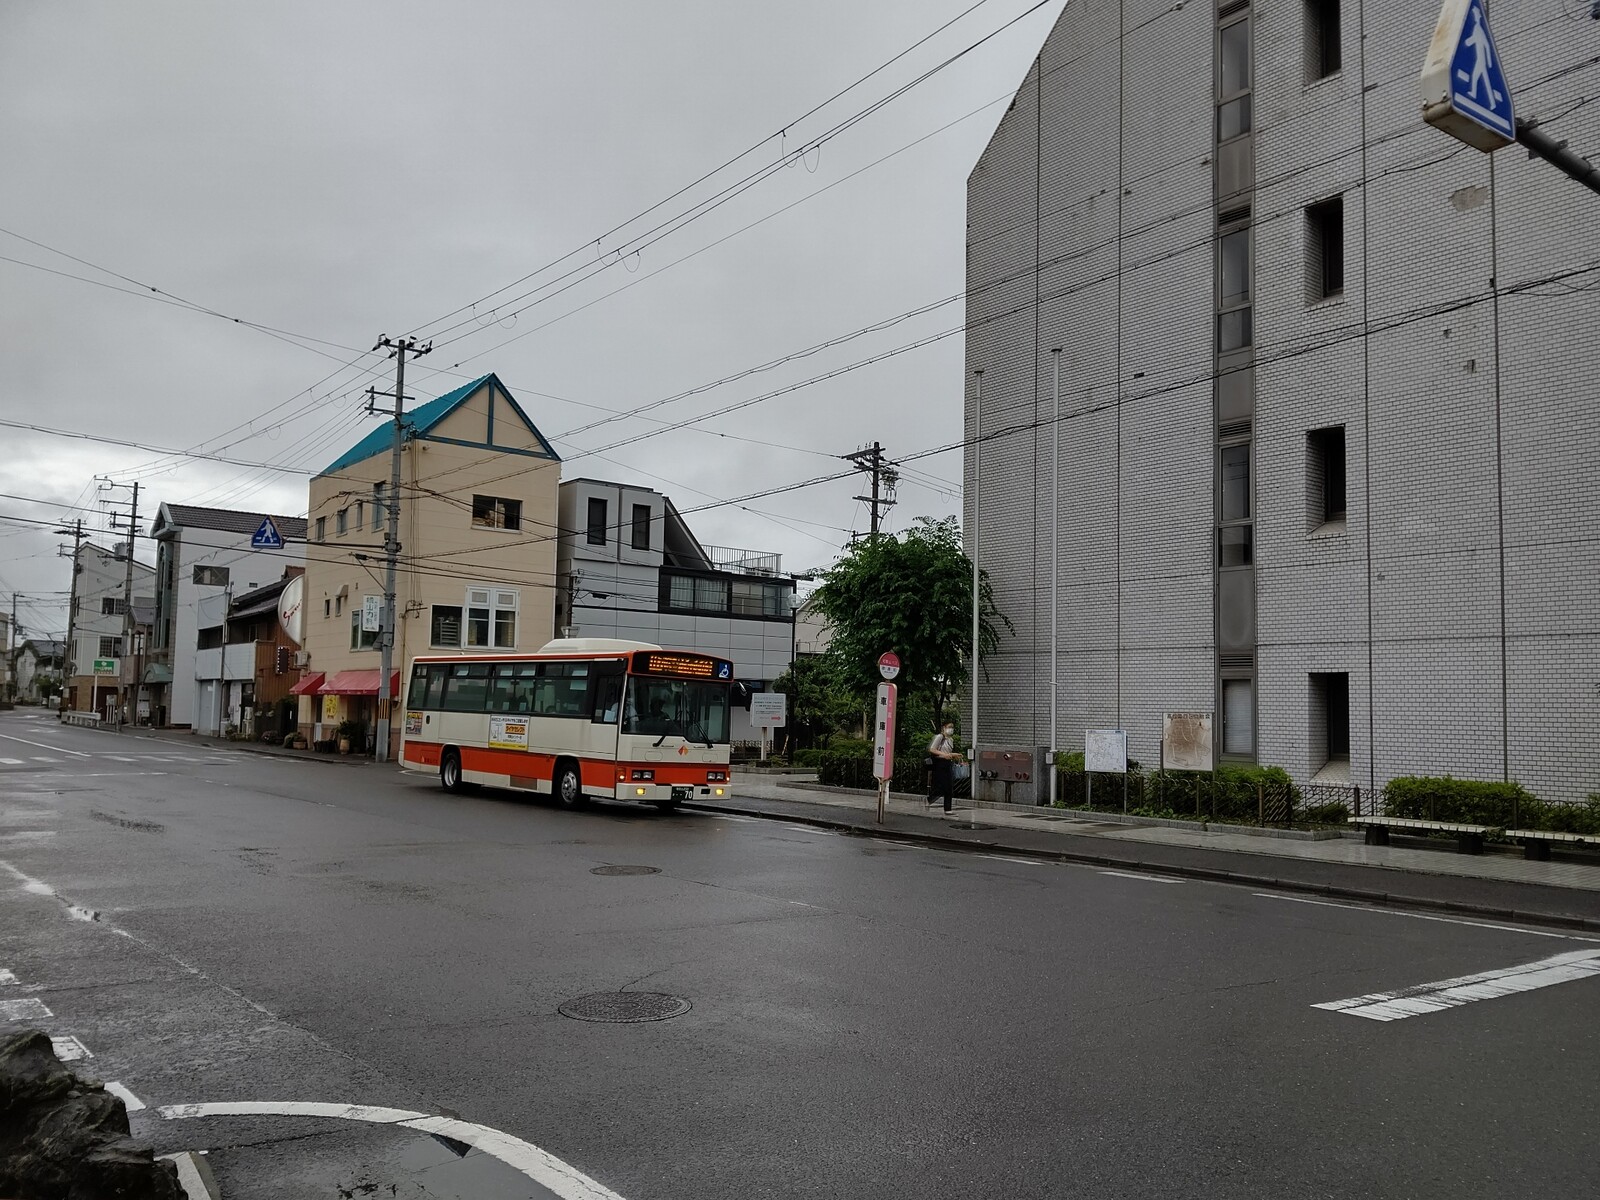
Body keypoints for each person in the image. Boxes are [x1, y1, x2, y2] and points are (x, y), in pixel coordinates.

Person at [927, 721, 962, 812]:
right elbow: (932, 749)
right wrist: (944, 754)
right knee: (940, 786)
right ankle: (930, 799)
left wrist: (953, 755)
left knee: (949, 786)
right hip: (939, 763)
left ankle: (948, 809)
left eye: (952, 727)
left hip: (947, 763)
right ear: (944, 728)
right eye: (949, 727)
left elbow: (948, 753)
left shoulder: (951, 740)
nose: (951, 729)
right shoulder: (940, 737)